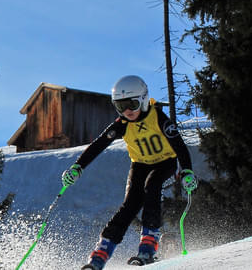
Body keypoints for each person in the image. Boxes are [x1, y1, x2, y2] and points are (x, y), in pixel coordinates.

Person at [61, 75, 198, 270]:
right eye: (120, 106)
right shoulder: (122, 124)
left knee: (152, 187)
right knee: (129, 205)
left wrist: (186, 171)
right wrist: (78, 166)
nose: (127, 111)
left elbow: (179, 145)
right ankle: (99, 255)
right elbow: (99, 145)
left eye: (132, 104)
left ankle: (148, 249)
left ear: (143, 99)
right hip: (140, 164)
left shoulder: (158, 117)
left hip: (165, 162)